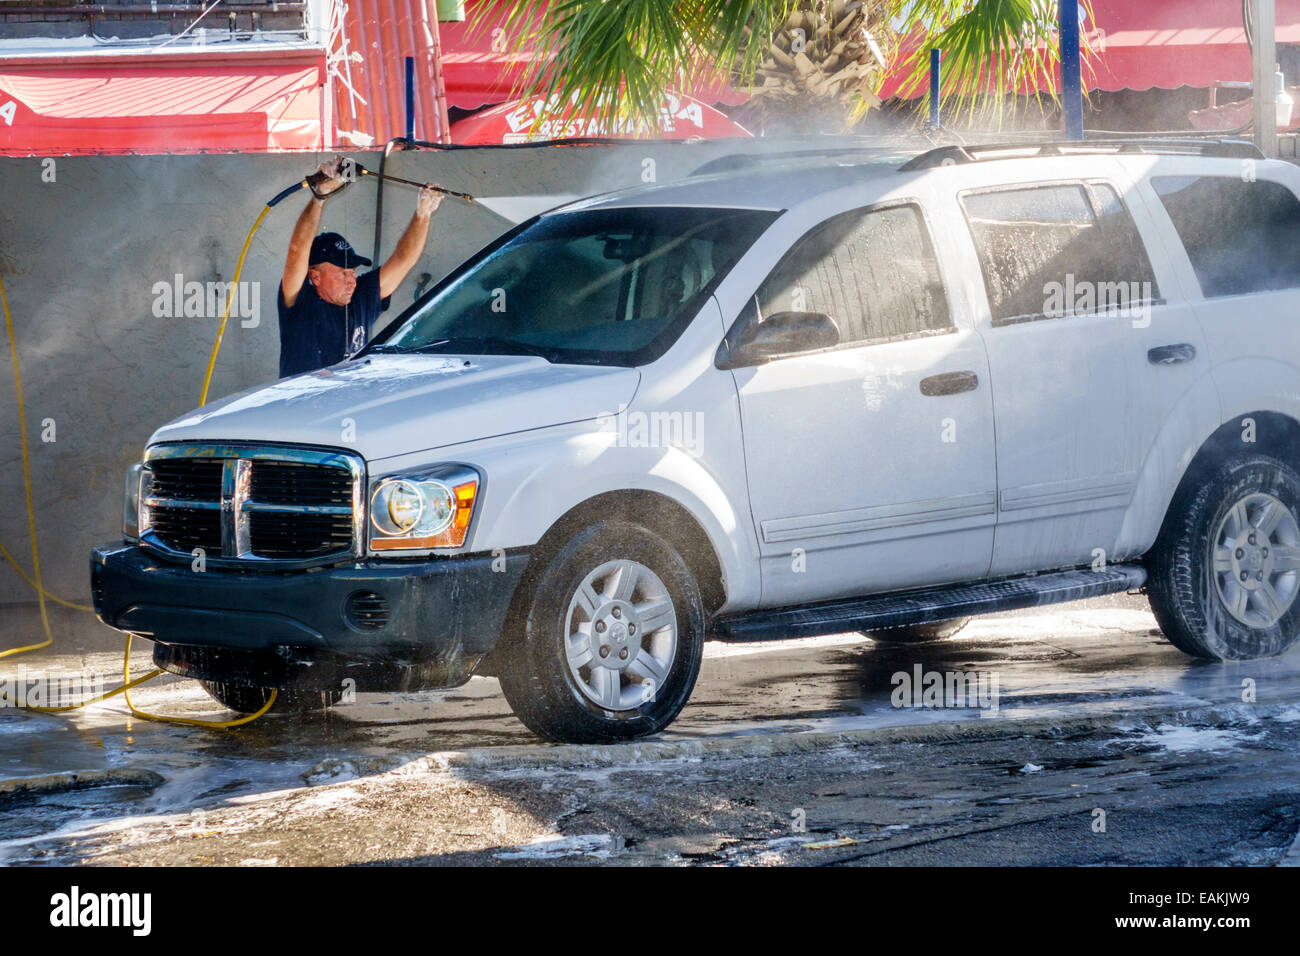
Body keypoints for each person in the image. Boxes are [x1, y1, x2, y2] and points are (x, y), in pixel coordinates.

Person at [277, 155, 443, 377]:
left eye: (353, 272)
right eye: (342, 273)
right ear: (315, 277)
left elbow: (403, 259)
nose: (351, 280)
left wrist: (423, 213)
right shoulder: (299, 300)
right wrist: (319, 198)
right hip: (302, 407)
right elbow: (297, 250)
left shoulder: (360, 297)